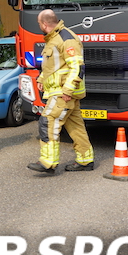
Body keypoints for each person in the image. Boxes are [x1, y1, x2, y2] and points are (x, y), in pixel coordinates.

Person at [28, 9, 94, 174]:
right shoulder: (55, 38)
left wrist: (67, 90)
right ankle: (85, 160)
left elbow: (77, 67)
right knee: (76, 127)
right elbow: (54, 66)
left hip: (62, 93)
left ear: (44, 24)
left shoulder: (66, 39)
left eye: (39, 23)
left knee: (48, 122)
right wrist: (42, 79)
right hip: (62, 92)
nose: (39, 26)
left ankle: (48, 162)